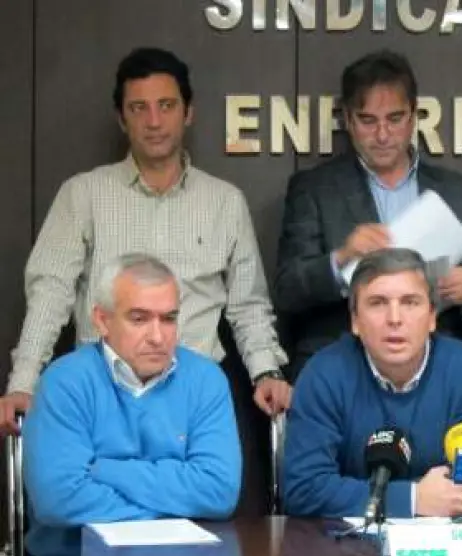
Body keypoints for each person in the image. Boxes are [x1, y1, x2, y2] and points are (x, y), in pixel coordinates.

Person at [0, 47, 290, 435]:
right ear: (122, 119)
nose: (154, 121)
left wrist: (267, 373)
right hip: (100, 395)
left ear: (188, 112)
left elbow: (248, 306)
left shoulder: (225, 202)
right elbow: (50, 295)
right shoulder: (83, 194)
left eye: (166, 105)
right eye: (139, 108)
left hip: (193, 396)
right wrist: (23, 383)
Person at [274, 50, 462, 375]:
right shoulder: (313, 189)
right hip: (341, 364)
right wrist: (341, 259)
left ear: (413, 116)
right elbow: (287, 291)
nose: (382, 135)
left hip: (437, 367)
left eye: (395, 119)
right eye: (368, 120)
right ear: (348, 120)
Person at [23, 254, 241, 556]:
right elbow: (58, 500)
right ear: (102, 320)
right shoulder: (64, 382)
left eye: (169, 319)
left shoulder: (206, 380)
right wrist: (172, 509)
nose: (157, 337)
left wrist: (105, 469)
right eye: (139, 319)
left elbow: (218, 492)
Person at [282, 248, 462, 518]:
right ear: (355, 321)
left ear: (432, 317)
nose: (394, 319)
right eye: (378, 303)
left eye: (410, 302)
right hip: (345, 538)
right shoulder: (323, 374)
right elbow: (303, 489)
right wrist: (411, 499)